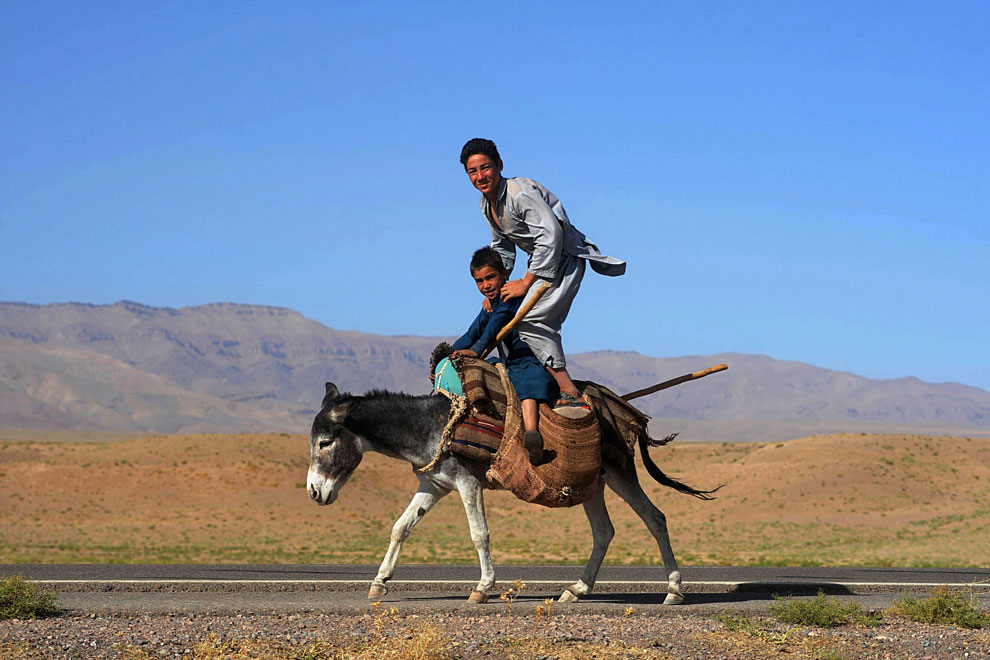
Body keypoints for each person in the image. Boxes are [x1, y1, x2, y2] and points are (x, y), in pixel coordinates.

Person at [459, 137, 625, 408]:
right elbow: (501, 247)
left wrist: (525, 282)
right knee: (506, 310)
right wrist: (497, 286)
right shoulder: (487, 204)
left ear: (499, 165)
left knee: (531, 321)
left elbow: (551, 234)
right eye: (472, 171)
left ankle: (569, 391)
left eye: (485, 168)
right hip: (542, 265)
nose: (480, 176)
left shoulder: (518, 194)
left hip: (562, 261)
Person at [449, 246, 554, 464]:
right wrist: (448, 355)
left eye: (490, 278)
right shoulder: (490, 303)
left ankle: (532, 435)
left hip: (527, 358)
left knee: (527, 385)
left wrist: (476, 351)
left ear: (503, 274)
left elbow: (495, 326)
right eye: (480, 281)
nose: (486, 285)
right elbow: (473, 331)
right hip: (507, 361)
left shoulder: (510, 298)